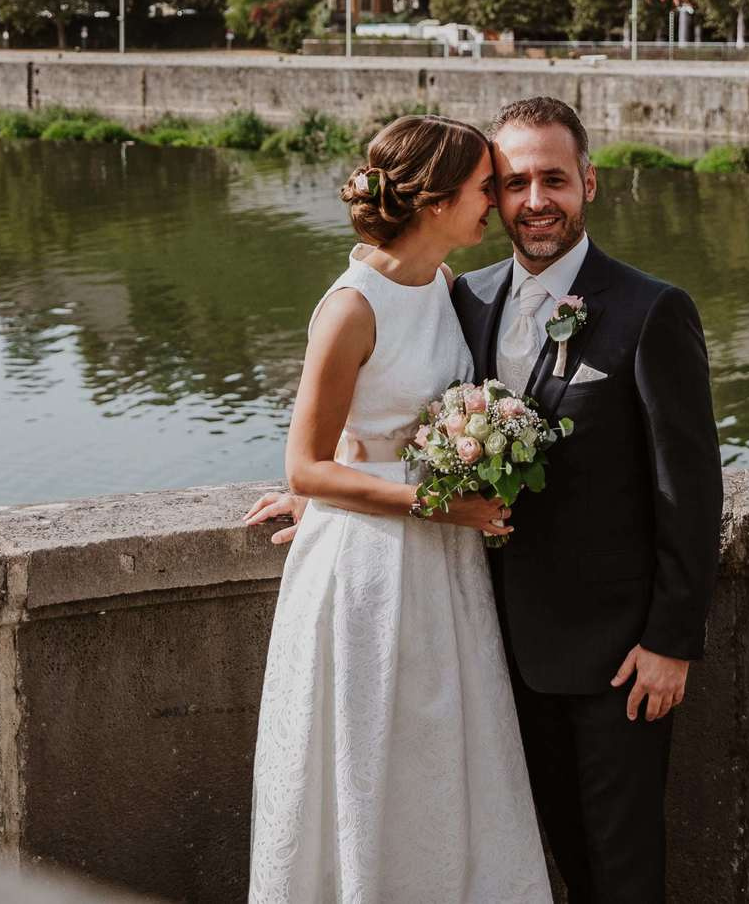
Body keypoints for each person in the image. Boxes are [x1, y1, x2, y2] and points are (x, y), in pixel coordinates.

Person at [248, 97, 723, 903]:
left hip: (613, 649)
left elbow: (692, 486)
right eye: (512, 182)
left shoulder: (651, 310)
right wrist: (326, 503)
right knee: (526, 847)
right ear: (486, 196)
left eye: (554, 179)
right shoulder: (459, 294)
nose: (534, 200)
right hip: (482, 633)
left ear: (589, 183)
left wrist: (671, 640)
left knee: (622, 861)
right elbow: (397, 420)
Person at [244, 114, 551, 904]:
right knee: (371, 763)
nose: (500, 203)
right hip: (371, 571)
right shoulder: (351, 306)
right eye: (488, 187)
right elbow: (304, 463)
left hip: (443, 571)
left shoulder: (445, 286)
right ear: (438, 199)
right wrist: (431, 501)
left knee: (446, 760)